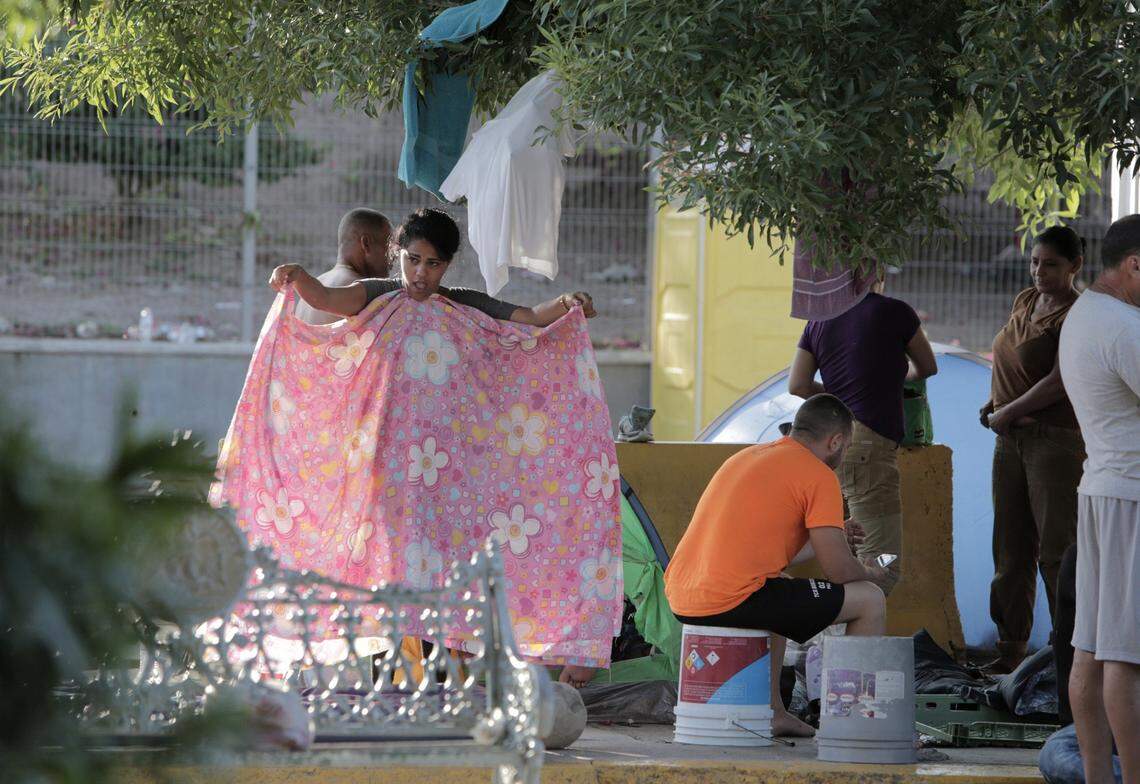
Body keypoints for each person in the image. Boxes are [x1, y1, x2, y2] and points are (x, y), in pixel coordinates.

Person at [664, 393, 889, 737]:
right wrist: (872, 572)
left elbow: (767, 552)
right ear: (836, 441)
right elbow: (841, 572)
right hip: (730, 598)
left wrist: (833, 534)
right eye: (846, 448)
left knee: (778, 586)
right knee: (870, 599)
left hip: (683, 595)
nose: (844, 457)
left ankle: (773, 711)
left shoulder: (747, 457)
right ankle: (851, 722)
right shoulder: (818, 475)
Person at [789, 274, 938, 595]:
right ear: (875, 272)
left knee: (844, 557)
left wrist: (841, 395)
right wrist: (894, 378)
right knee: (882, 567)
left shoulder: (820, 318)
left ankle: (833, 639)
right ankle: (846, 641)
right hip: (869, 448)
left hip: (826, 447)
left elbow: (798, 384)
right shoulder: (895, 312)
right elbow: (926, 366)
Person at [980, 226, 1086, 673]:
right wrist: (996, 405)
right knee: (1009, 550)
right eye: (1035, 262)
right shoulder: (1026, 299)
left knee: (1056, 552)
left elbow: (1062, 379)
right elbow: (1009, 358)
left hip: (1054, 442)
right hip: (1009, 441)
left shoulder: (1077, 315)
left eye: (1051, 265)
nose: (1040, 272)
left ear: (1074, 267)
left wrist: (1011, 410)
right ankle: (1010, 652)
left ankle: (1069, 656)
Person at [1058, 214, 1140, 784]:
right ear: (1136, 266)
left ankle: (1095, 777)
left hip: (1101, 488)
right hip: (1130, 497)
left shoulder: (1086, 313)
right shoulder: (1123, 327)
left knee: (1089, 645)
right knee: (1124, 653)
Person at [272, 208, 596, 328]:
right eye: (412, 260)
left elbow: (533, 317)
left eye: (433, 264)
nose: (420, 274)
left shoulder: (460, 300)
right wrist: (299, 275)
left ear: (447, 264)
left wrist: (567, 303)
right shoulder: (377, 292)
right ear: (397, 253)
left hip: (436, 444)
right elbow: (326, 298)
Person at [294, 208, 392, 325]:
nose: (393, 257)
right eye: (389, 247)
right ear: (366, 244)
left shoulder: (307, 294)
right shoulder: (360, 290)